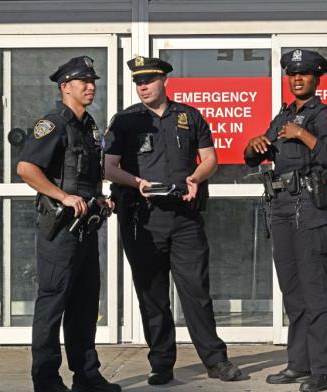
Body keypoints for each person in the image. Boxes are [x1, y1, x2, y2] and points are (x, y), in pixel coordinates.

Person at [104, 56, 242, 386]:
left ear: (165, 80)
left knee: (196, 292)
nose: (143, 85)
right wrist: (136, 183)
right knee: (152, 296)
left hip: (184, 218)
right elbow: (108, 167)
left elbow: (211, 159)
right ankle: (161, 363)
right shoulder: (124, 121)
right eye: (138, 81)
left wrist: (195, 177)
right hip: (143, 219)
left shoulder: (189, 116)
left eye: (149, 79)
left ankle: (215, 360)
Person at [244, 49, 327, 392]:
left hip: (310, 207)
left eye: (304, 74)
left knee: (314, 290)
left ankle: (323, 370)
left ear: (317, 79)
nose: (297, 79)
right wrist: (254, 144)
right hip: (282, 207)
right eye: (292, 75)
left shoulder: (323, 115)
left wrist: (303, 135)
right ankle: (299, 364)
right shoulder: (283, 116)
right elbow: (252, 157)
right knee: (293, 291)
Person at [16, 56, 120, 392]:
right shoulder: (53, 123)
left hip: (85, 229)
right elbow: (26, 169)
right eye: (83, 82)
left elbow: (83, 176)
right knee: (53, 302)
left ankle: (87, 376)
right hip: (60, 231)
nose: (91, 87)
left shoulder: (87, 125)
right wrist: (62, 196)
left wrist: (99, 199)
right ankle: (45, 380)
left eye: (93, 82)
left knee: (85, 304)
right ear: (65, 87)